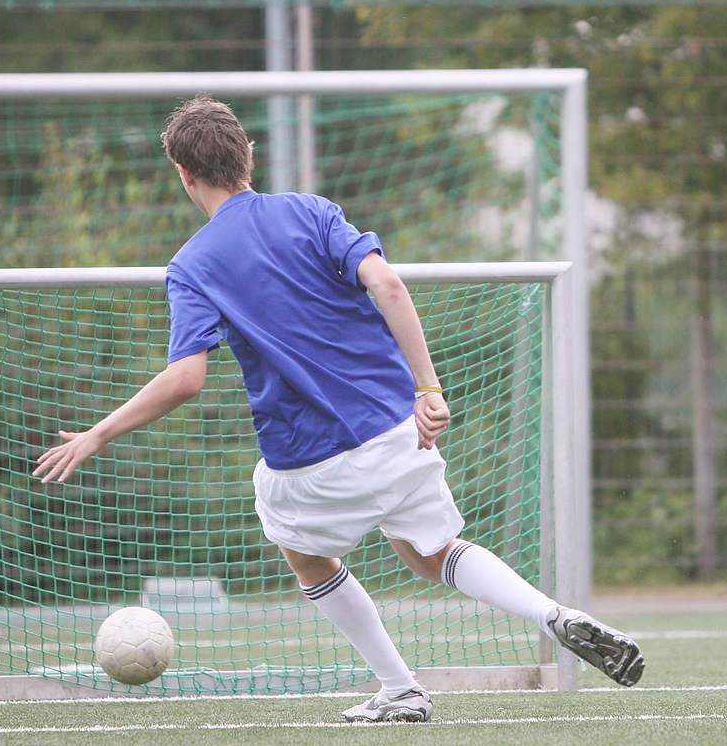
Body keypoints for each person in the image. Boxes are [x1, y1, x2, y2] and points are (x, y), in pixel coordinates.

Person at [33, 94, 644, 722]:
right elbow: (388, 284)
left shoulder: (191, 264)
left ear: (185, 176)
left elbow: (187, 379)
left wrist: (98, 433)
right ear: (249, 155)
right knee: (433, 553)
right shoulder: (312, 210)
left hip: (307, 456)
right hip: (398, 429)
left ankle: (401, 690)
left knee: (304, 553)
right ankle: (555, 614)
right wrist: (428, 389)